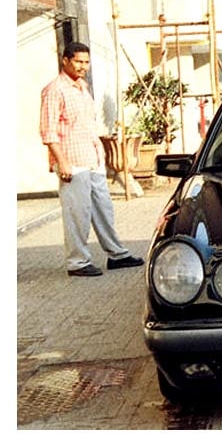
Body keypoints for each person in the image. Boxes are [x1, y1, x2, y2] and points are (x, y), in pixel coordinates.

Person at [40, 42, 145, 277]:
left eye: (86, 62)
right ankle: (77, 262)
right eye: (78, 61)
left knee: (103, 208)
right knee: (77, 212)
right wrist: (62, 161)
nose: (83, 67)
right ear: (65, 60)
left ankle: (117, 254)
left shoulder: (82, 87)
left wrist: (102, 156)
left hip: (93, 156)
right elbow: (48, 131)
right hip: (72, 160)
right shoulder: (54, 90)